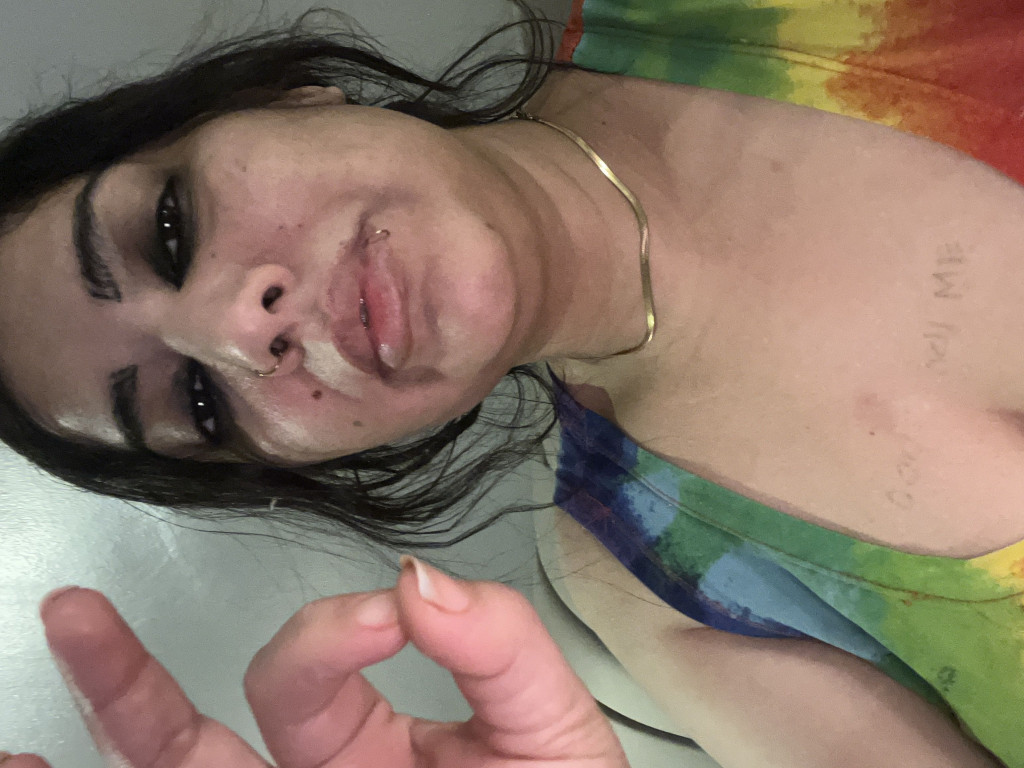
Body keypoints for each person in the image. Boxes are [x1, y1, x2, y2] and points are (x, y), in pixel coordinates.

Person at [1, 0, 1022, 765]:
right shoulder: (659, 598)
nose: (238, 330)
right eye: (199, 403)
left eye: (169, 229)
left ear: (277, 95)